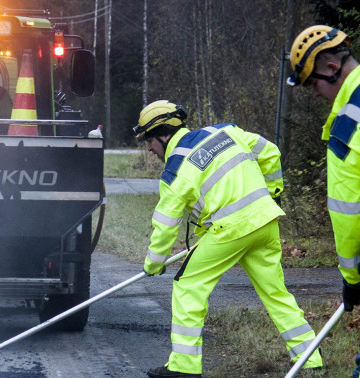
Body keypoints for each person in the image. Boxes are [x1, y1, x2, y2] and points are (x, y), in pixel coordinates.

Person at [134, 100, 323, 377]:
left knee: (188, 285)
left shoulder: (176, 168)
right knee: (276, 293)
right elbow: (270, 152)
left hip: (231, 231)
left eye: (149, 139)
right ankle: (310, 357)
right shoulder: (225, 132)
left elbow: (165, 223)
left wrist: (154, 263)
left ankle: (184, 367)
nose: (149, 147)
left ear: (163, 133)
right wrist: (271, 192)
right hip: (265, 222)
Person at [287, 25, 360, 377]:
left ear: (331, 68)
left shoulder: (347, 126)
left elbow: (346, 216)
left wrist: (351, 279)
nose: (314, 93)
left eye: (311, 83)